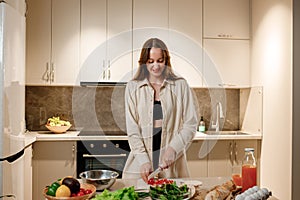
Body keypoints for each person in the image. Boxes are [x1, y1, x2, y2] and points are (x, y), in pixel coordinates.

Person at [123, 38, 199, 183]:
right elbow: (132, 129)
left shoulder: (180, 85)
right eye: (151, 61)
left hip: (173, 165)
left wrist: (173, 148)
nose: (156, 66)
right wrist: (143, 160)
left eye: (160, 60)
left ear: (166, 61)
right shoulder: (132, 87)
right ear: (144, 62)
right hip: (140, 165)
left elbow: (191, 124)